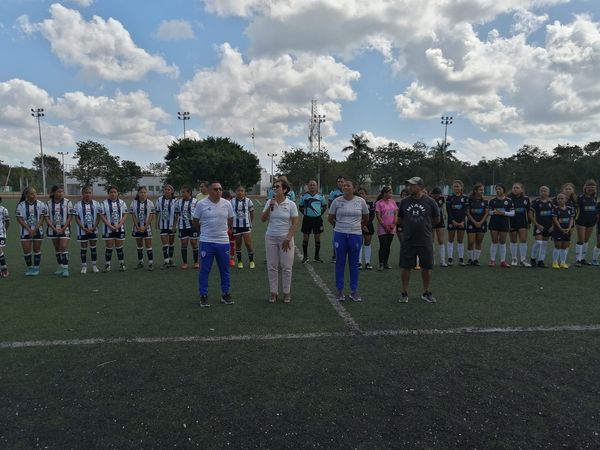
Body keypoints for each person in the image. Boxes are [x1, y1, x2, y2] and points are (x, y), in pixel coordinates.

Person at [192, 181, 235, 307]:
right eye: (215, 189)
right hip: (206, 242)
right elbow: (195, 221)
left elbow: (230, 220)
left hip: (223, 242)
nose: (218, 191)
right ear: (209, 190)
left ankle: (225, 294)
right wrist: (204, 233)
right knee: (204, 270)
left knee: (225, 270)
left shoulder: (227, 204)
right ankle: (203, 295)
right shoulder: (201, 204)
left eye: (220, 189)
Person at [397, 177, 440, 303]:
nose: (409, 187)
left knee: (426, 267)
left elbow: (436, 219)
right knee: (406, 267)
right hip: (408, 240)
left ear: (420, 186)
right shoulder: (404, 202)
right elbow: (399, 219)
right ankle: (404, 292)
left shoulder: (430, 202)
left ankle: (426, 292)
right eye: (408, 185)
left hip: (425, 239)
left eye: (412, 185)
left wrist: (425, 227)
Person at [328, 178, 369, 302]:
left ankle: (353, 291)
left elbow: (366, 217)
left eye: (348, 185)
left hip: (355, 235)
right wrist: (339, 227)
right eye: (344, 186)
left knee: (354, 264)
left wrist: (358, 227)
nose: (345, 187)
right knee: (340, 262)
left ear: (354, 188)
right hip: (340, 234)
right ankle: (339, 291)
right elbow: (330, 218)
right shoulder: (336, 201)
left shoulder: (360, 201)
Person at [262, 179, 299, 303]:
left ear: (284, 190)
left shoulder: (291, 204)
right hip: (271, 237)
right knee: (272, 266)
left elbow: (295, 223)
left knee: (286, 267)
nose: (275, 188)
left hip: (285, 238)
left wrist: (288, 238)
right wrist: (270, 207)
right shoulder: (269, 202)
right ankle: (273, 292)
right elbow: (263, 219)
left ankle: (286, 293)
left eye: (277, 186)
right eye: (274, 187)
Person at [15, 187, 48, 276]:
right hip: (25, 231)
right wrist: (29, 229)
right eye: (32, 193)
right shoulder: (20, 205)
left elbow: (42, 218)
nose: (34, 195)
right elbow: (20, 219)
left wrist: (35, 229)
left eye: (35, 193)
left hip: (38, 231)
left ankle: (36, 268)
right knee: (26, 251)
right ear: (26, 195)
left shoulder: (41, 204)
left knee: (36, 249)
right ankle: (29, 268)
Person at [46, 185, 74, 277]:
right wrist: (54, 228)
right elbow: (47, 218)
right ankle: (60, 266)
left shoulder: (68, 202)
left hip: (64, 229)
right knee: (57, 249)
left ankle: (65, 268)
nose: (60, 193)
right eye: (58, 191)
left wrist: (63, 228)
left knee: (63, 247)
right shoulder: (48, 203)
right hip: (52, 229)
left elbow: (70, 217)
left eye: (62, 191)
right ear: (53, 193)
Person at [99, 185, 129, 272]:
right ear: (108, 193)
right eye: (111, 192)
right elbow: (102, 216)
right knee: (109, 247)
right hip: (108, 229)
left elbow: (125, 214)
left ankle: (122, 264)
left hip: (120, 228)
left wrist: (119, 225)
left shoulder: (122, 203)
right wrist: (110, 226)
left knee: (119, 247)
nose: (113, 194)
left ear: (117, 193)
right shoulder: (104, 203)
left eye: (115, 192)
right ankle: (107, 265)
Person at [73, 186, 102, 274]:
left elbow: (98, 217)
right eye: (86, 193)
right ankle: (84, 266)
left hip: (93, 229)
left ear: (92, 194)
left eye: (89, 193)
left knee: (93, 248)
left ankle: (94, 265)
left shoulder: (96, 204)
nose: (88, 194)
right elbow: (77, 218)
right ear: (82, 194)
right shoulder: (77, 205)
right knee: (83, 248)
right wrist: (83, 228)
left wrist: (94, 227)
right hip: (82, 230)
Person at [298, 180, 326, 263]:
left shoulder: (321, 196)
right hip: (307, 219)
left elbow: (324, 207)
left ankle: (317, 256)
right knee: (306, 237)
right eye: (310, 185)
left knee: (317, 237)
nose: (312, 186)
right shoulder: (304, 196)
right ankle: (305, 256)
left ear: (316, 186)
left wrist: (319, 214)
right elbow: (300, 207)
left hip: (317, 219)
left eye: (314, 185)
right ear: (308, 186)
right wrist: (306, 214)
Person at [488, 183, 514, 268]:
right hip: (494, 223)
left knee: (502, 242)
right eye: (497, 189)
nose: (498, 190)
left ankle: (503, 261)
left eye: (499, 189)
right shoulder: (492, 201)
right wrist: (494, 212)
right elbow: (489, 212)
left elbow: (513, 213)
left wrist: (504, 213)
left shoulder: (509, 201)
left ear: (504, 190)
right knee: (494, 241)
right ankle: (492, 260)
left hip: (504, 223)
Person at [130, 186, 155, 271]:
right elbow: (133, 215)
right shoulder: (133, 203)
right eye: (141, 192)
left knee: (148, 245)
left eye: (144, 192)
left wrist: (145, 226)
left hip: (147, 228)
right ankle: (140, 262)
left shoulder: (150, 203)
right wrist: (137, 226)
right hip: (137, 228)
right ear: (138, 193)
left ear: (146, 193)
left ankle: (151, 263)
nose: (143, 194)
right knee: (139, 245)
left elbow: (151, 216)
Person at [508, 182, 532, 267]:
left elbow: (529, 211)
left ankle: (523, 260)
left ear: (521, 189)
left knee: (523, 241)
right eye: (514, 187)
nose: (515, 189)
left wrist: (529, 222)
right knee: (513, 241)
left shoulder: (526, 199)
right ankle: (514, 259)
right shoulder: (508, 198)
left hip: (522, 222)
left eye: (517, 188)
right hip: (512, 222)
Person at [231, 186, 255, 269]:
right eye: (238, 190)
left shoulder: (248, 201)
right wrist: (230, 225)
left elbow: (252, 213)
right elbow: (230, 214)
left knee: (248, 244)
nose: (240, 192)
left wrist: (250, 222)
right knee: (238, 244)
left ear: (244, 192)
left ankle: (251, 261)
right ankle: (240, 262)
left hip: (246, 226)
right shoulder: (232, 201)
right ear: (235, 192)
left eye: (242, 191)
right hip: (236, 226)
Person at [176, 185, 199, 269]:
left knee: (194, 244)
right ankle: (185, 263)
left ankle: (196, 262)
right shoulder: (178, 202)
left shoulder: (196, 201)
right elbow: (177, 213)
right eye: (182, 192)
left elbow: (199, 214)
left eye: (184, 192)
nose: (182, 194)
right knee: (184, 244)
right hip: (183, 226)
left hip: (193, 226)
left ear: (189, 193)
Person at [529, 186, 553, 268]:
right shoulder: (535, 202)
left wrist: (552, 226)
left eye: (545, 191)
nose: (543, 192)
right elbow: (530, 215)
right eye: (541, 191)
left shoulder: (551, 202)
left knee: (544, 244)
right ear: (539, 192)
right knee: (538, 242)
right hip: (539, 226)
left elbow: (555, 215)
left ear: (548, 193)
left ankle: (541, 261)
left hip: (548, 226)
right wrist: (537, 225)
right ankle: (532, 259)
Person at [574, 179, 597, 266]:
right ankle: (578, 260)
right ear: (585, 187)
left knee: (586, 240)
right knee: (581, 240)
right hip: (581, 221)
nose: (591, 188)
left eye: (593, 187)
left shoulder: (594, 197)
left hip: (591, 221)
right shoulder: (580, 197)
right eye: (589, 186)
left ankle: (583, 259)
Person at [375, 186, 398, 270]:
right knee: (383, 245)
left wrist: (393, 224)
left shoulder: (393, 202)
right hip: (382, 228)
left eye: (391, 192)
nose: (391, 194)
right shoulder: (379, 203)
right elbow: (378, 216)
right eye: (389, 192)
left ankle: (386, 263)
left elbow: (395, 214)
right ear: (384, 193)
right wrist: (385, 226)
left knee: (388, 246)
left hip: (392, 228)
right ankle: (381, 263)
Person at [446, 180, 468, 266]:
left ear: (461, 187)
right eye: (454, 186)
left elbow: (465, 210)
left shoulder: (465, 198)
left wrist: (462, 221)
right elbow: (448, 210)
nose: (456, 188)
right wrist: (453, 221)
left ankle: (461, 259)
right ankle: (450, 258)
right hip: (452, 221)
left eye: (457, 186)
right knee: (451, 240)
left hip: (461, 222)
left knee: (460, 240)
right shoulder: (449, 197)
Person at [466, 182, 488, 266]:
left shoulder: (485, 200)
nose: (482, 191)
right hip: (471, 223)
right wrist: (475, 222)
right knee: (471, 242)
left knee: (478, 242)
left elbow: (486, 213)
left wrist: (480, 222)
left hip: (482, 223)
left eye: (483, 190)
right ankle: (470, 259)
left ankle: (476, 259)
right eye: (480, 190)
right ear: (475, 190)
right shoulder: (469, 200)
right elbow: (467, 213)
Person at [156, 184, 178, 269]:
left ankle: (171, 260)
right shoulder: (159, 200)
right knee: (164, 244)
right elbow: (157, 212)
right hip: (163, 225)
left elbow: (177, 214)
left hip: (172, 225)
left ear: (172, 191)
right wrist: (156, 223)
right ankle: (166, 261)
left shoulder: (175, 201)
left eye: (169, 190)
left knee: (171, 244)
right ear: (163, 191)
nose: (167, 191)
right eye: (165, 189)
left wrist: (175, 226)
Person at [552, 193, 575, 269]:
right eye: (559, 199)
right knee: (558, 246)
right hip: (558, 230)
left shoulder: (570, 208)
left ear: (566, 200)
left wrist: (569, 228)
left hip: (567, 230)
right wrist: (561, 228)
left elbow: (571, 219)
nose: (560, 200)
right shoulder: (555, 209)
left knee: (564, 247)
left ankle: (563, 262)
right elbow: (555, 220)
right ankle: (555, 262)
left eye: (562, 198)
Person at [328, 175, 346, 263]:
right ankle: (335, 255)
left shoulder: (349, 192)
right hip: (337, 219)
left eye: (342, 181)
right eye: (338, 181)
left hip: (348, 219)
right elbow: (330, 206)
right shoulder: (333, 193)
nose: (340, 183)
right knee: (336, 237)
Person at [358, 187, 375, 270]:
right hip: (358, 226)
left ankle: (367, 262)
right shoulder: (355, 204)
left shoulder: (370, 204)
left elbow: (372, 216)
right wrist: (362, 225)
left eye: (363, 193)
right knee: (359, 243)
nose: (361, 195)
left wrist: (365, 224)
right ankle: (359, 262)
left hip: (368, 226)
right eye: (359, 193)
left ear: (366, 195)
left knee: (367, 243)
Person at [430, 187, 447, 267]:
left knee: (441, 240)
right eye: (436, 195)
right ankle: (432, 260)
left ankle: (442, 261)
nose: (438, 196)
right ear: (432, 194)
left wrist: (444, 214)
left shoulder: (442, 198)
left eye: (439, 194)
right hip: (431, 221)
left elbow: (442, 207)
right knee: (431, 240)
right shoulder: (429, 199)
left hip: (440, 221)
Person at [222, 190, 237, 266]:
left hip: (233, 226)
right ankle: (225, 258)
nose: (227, 200)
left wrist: (231, 227)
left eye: (228, 198)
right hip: (224, 228)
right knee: (224, 244)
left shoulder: (232, 204)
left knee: (232, 244)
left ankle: (232, 258)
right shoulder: (221, 204)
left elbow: (232, 217)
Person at [0, 197, 10, 278]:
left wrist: (4, 231)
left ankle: (4, 269)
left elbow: (7, 222)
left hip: (1, 234)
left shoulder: (4, 210)